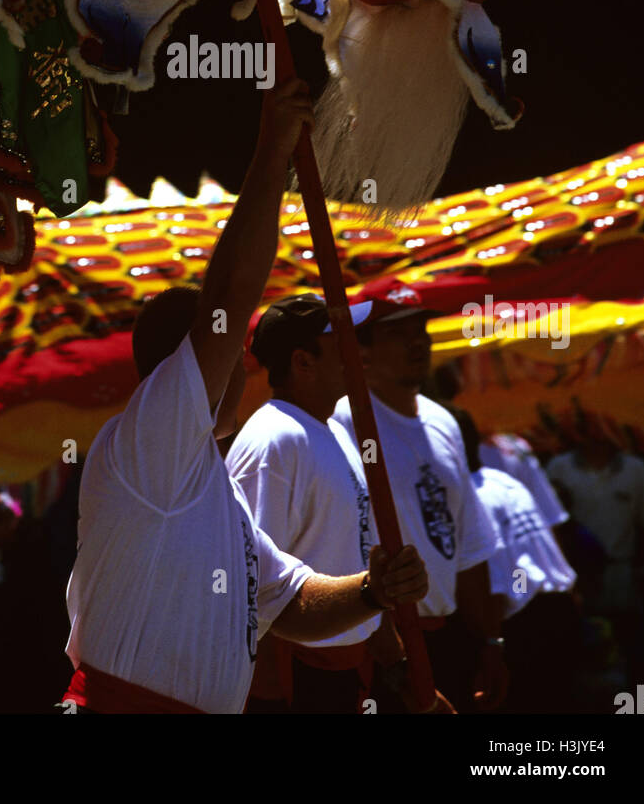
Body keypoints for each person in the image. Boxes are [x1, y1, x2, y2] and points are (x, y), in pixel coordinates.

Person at [62, 81, 428, 714]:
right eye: (229, 353)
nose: (245, 364)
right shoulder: (152, 438)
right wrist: (270, 153)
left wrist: (372, 590)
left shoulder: (208, 487)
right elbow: (229, 294)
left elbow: (293, 605)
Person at [227, 292, 450, 714]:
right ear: (303, 361)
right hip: (297, 678)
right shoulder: (274, 440)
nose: (360, 354)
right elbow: (251, 592)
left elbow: (353, 558)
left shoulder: (332, 431)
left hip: (345, 670)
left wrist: (400, 666)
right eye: (342, 344)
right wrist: (270, 701)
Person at [332, 281, 507, 713]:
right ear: (363, 350)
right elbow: (341, 550)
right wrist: (393, 658)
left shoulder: (443, 421)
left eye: (420, 330)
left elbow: (467, 546)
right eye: (397, 332)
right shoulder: (345, 424)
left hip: (450, 637)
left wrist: (490, 640)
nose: (417, 342)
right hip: (386, 643)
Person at [451, 406, 582, 714]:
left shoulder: (474, 498)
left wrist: (492, 643)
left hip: (528, 619)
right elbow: (547, 535)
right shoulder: (503, 481)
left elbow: (502, 582)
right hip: (560, 606)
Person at [547, 423, 644, 681]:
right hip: (577, 581)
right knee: (581, 655)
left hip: (622, 577)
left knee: (631, 649)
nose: (597, 432)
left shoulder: (635, 469)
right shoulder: (558, 468)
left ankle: (636, 705)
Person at [479, 431, 568, 531]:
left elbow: (539, 489)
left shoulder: (516, 443)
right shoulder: (473, 457)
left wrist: (553, 518)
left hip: (541, 524)